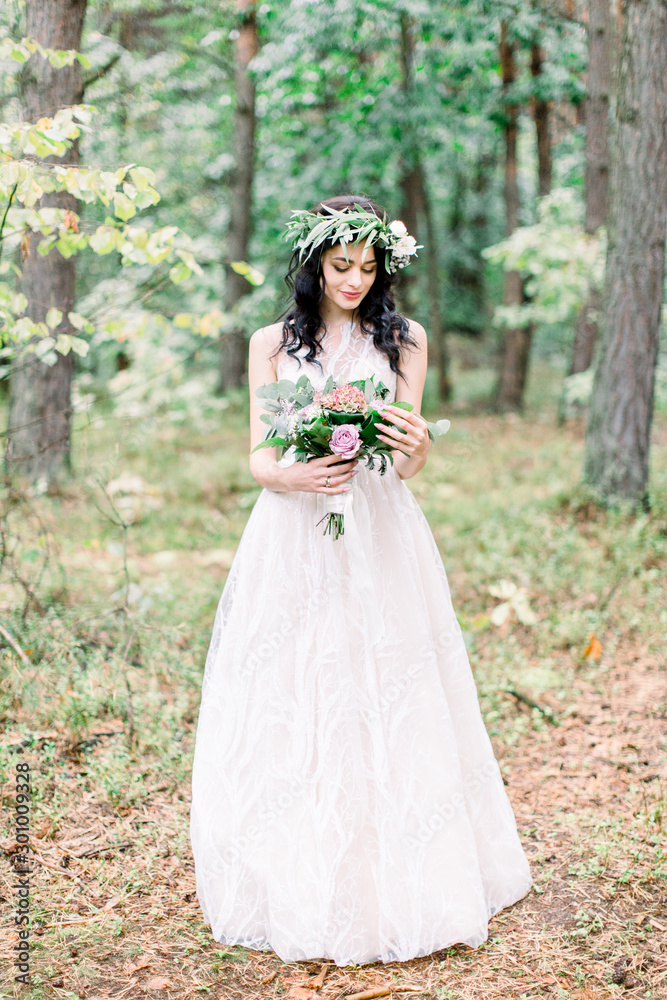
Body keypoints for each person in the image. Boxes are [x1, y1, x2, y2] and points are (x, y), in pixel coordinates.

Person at [190, 194, 532, 967]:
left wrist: (416, 444)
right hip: (296, 528)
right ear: (313, 263)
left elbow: (408, 457)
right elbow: (256, 457)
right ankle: (304, 860)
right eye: (340, 266)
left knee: (391, 678)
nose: (353, 280)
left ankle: (405, 859)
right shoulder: (269, 343)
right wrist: (296, 474)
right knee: (303, 681)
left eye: (368, 267)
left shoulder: (404, 338)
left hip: (380, 526)